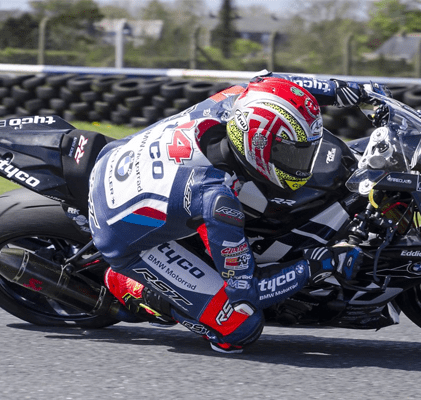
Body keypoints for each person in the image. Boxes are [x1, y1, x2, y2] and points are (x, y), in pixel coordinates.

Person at [88, 72, 368, 353]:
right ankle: (131, 286)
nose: (303, 165)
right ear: (258, 145)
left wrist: (345, 90)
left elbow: (276, 81)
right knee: (239, 325)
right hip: (119, 232)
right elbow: (247, 291)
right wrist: (317, 265)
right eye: (292, 155)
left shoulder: (241, 99)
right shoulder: (217, 200)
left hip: (118, 156)